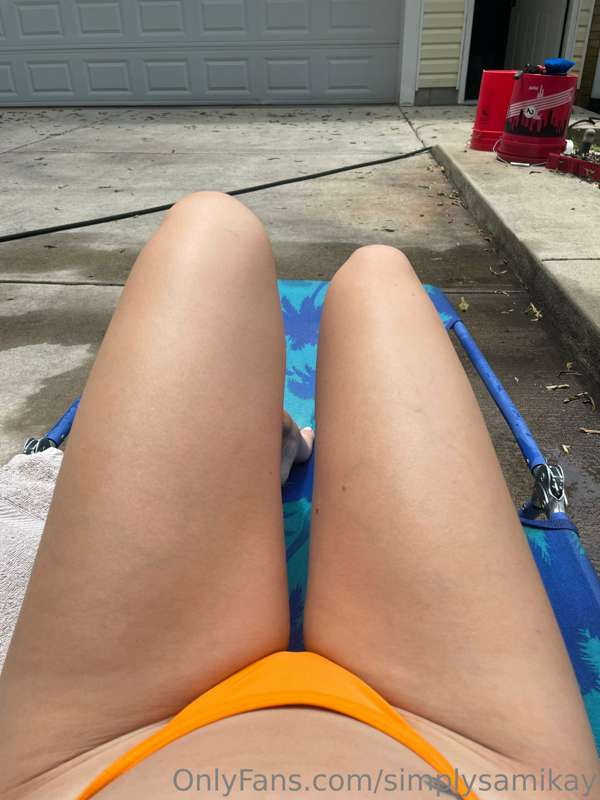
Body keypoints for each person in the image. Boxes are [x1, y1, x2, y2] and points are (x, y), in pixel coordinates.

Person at [0, 193, 596, 800]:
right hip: (481, 762)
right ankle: (276, 439)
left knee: (213, 228)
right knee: (377, 274)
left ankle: (271, 439)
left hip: (86, 760)